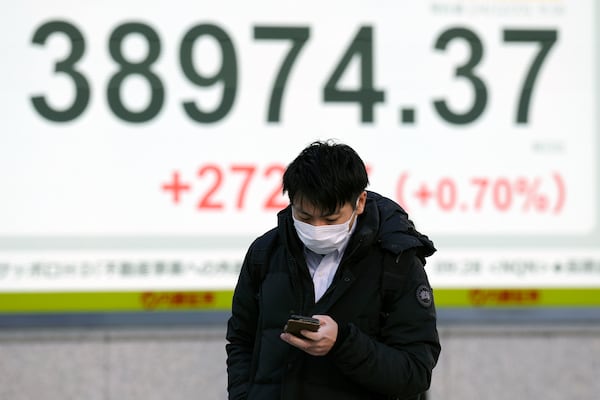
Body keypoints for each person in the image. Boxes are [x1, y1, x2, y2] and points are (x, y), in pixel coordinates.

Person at [226, 140, 440, 400]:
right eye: (304, 217)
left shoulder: (397, 262)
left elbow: (415, 373)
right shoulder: (265, 254)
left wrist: (343, 343)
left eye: (330, 219)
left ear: (359, 202)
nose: (317, 229)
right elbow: (241, 341)